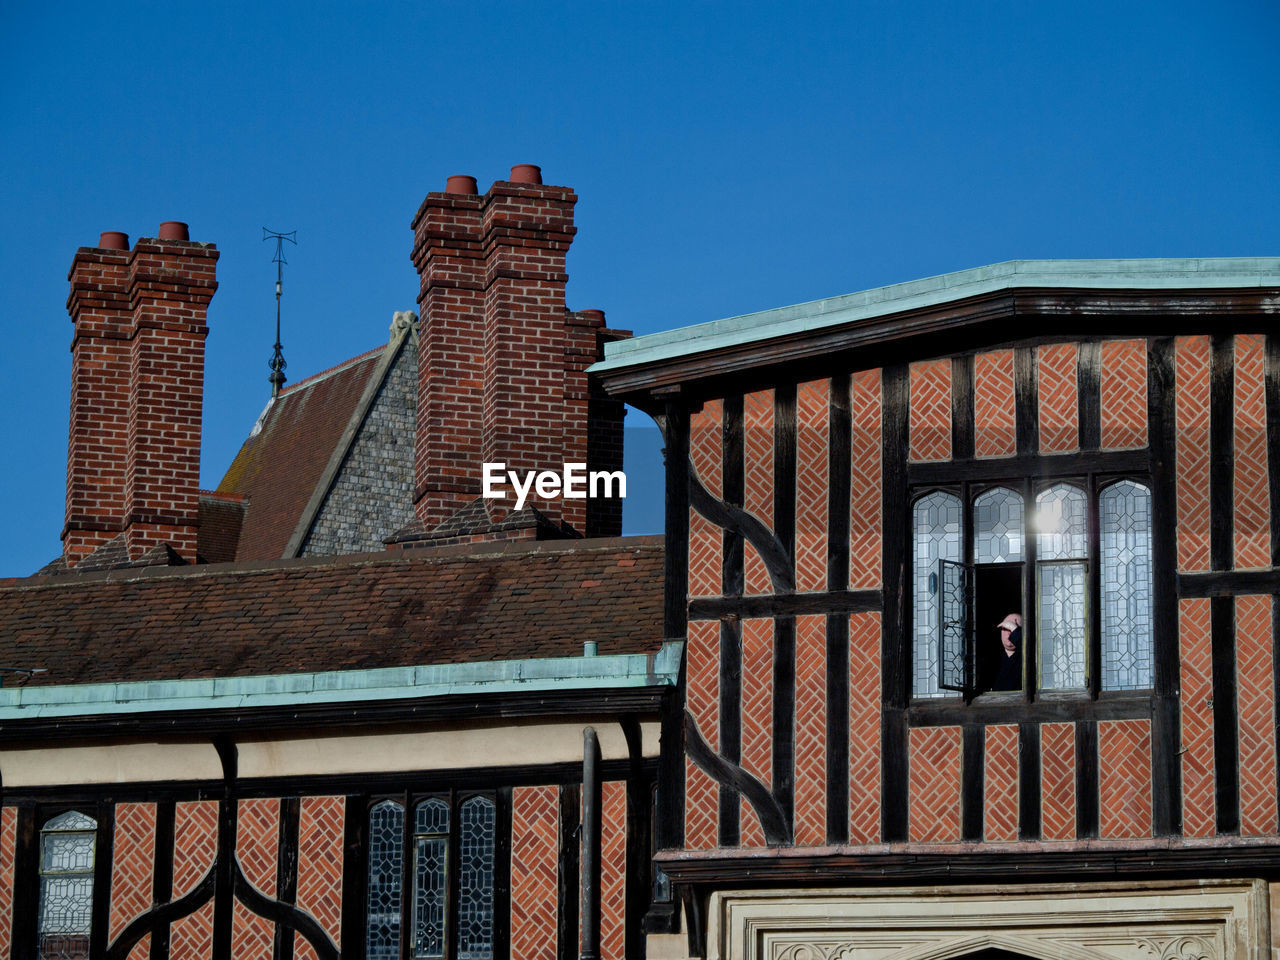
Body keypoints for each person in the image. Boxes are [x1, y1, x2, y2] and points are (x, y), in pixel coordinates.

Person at [992, 613, 1023, 691]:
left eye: (1014, 629)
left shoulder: (1029, 657)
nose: (1010, 633)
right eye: (1006, 628)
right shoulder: (990, 659)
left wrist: (1016, 633)